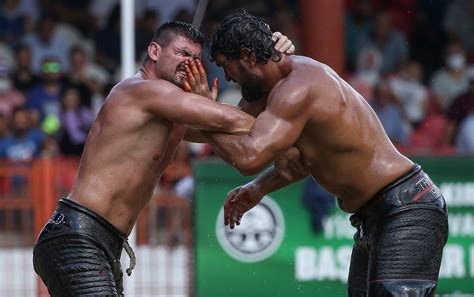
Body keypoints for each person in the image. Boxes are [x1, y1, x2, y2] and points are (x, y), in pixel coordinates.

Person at [32, 21, 295, 296]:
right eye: (181, 54)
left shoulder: (170, 113)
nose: (189, 64)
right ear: (155, 51)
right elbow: (234, 120)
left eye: (195, 59)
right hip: (78, 237)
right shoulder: (143, 90)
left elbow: (230, 130)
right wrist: (292, 124)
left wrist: (271, 56)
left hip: (97, 242)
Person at [195, 12, 448, 296]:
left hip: (406, 206)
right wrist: (258, 189)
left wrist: (201, 110)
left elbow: (248, 157)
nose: (227, 77)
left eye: (227, 67)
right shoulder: (271, 90)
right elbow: (295, 164)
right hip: (375, 217)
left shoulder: (297, 88)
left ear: (248, 57)